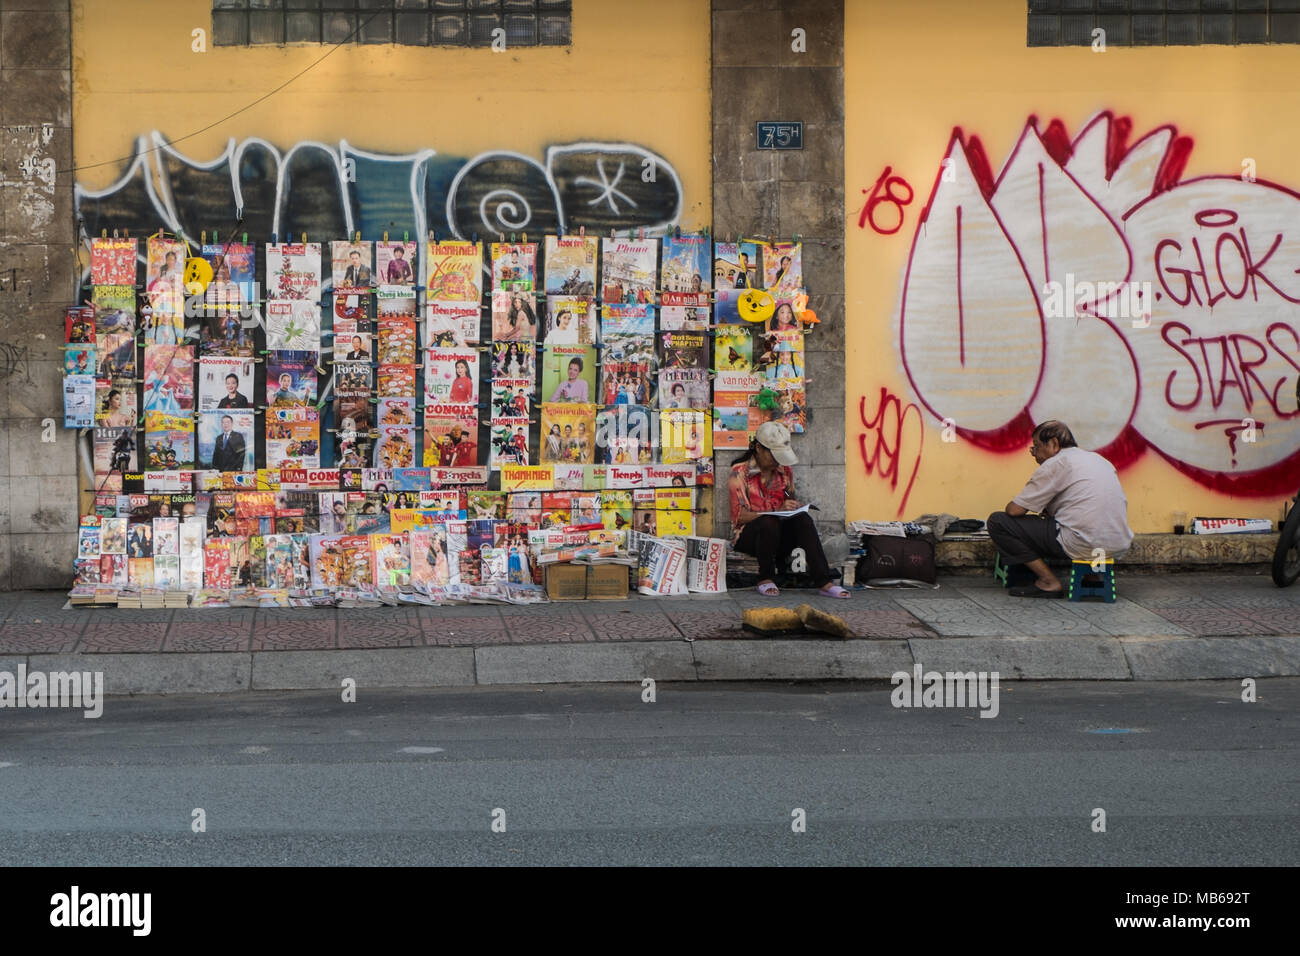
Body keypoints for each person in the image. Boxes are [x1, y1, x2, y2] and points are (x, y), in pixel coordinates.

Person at [986, 420, 1134, 598]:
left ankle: (1048, 581)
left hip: (1081, 542)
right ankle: (1092, 577)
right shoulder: (1098, 460)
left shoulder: (1057, 463)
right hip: (1117, 543)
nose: (1034, 453)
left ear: (1054, 444)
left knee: (999, 521)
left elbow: (1014, 511)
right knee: (1071, 522)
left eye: (1037, 446)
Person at [729, 421, 848, 598]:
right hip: (750, 538)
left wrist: (794, 507)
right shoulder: (739, 472)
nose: (777, 461)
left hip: (779, 536)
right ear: (759, 449)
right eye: (773, 455)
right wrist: (777, 510)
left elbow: (787, 499)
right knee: (768, 522)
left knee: (803, 519)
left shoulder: (785, 472)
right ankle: (765, 578)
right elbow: (740, 516)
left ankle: (824, 582)